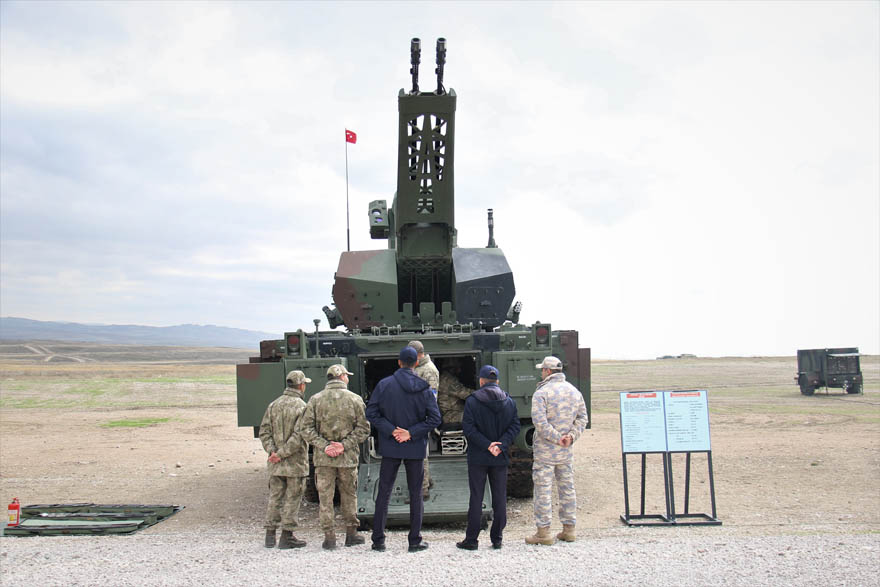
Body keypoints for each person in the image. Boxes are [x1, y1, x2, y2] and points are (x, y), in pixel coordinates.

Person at [366, 346, 442, 553]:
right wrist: (411, 432)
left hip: (390, 447)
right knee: (416, 494)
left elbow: (371, 414)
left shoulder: (384, 385)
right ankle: (414, 541)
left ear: (399, 362)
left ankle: (378, 540)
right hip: (415, 448)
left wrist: (392, 431)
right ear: (416, 362)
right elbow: (435, 418)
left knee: (384, 492)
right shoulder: (424, 387)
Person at [297, 364, 370, 550]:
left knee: (325, 497)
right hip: (347, 458)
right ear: (343, 377)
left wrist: (325, 446)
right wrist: (343, 445)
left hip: (324, 459)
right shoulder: (355, 399)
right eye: (347, 375)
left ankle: (329, 537)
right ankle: (351, 534)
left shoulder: (315, 400)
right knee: (349, 495)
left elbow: (305, 428)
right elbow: (364, 429)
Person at [525, 356, 589, 545]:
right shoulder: (574, 392)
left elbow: (540, 423)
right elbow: (582, 418)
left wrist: (556, 437)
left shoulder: (542, 393)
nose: (541, 372)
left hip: (546, 451)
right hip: (565, 451)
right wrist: (570, 437)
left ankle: (543, 533)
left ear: (547, 371)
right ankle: (569, 530)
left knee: (543, 490)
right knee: (567, 488)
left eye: (542, 369)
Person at [456, 365, 520, 551]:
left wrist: (487, 445)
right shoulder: (509, 402)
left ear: (481, 381)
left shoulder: (473, 401)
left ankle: (472, 540)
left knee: (476, 497)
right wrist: (500, 444)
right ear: (497, 381)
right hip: (499, 456)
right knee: (499, 498)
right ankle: (497, 538)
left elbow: (469, 429)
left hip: (478, 456)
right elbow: (514, 427)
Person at [259, 370, 311, 549]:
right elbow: (299, 436)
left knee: (275, 497)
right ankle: (287, 536)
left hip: (275, 463)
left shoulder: (273, 405)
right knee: (293, 498)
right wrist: (282, 453)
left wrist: (273, 452)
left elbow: (264, 431)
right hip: (294, 463)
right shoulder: (302, 407)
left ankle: (270, 535)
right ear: (302, 385)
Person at [408, 340, 439, 499]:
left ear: (418, 354)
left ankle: (422, 490)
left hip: (421, 418)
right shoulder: (418, 368)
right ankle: (427, 481)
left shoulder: (428, 370)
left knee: (419, 455)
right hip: (415, 416)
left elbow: (431, 397)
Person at [437, 363, 474, 428]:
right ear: (452, 368)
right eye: (458, 368)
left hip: (452, 413)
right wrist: (481, 393)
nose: (460, 370)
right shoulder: (447, 380)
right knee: (477, 416)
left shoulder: (446, 378)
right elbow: (464, 393)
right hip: (451, 415)